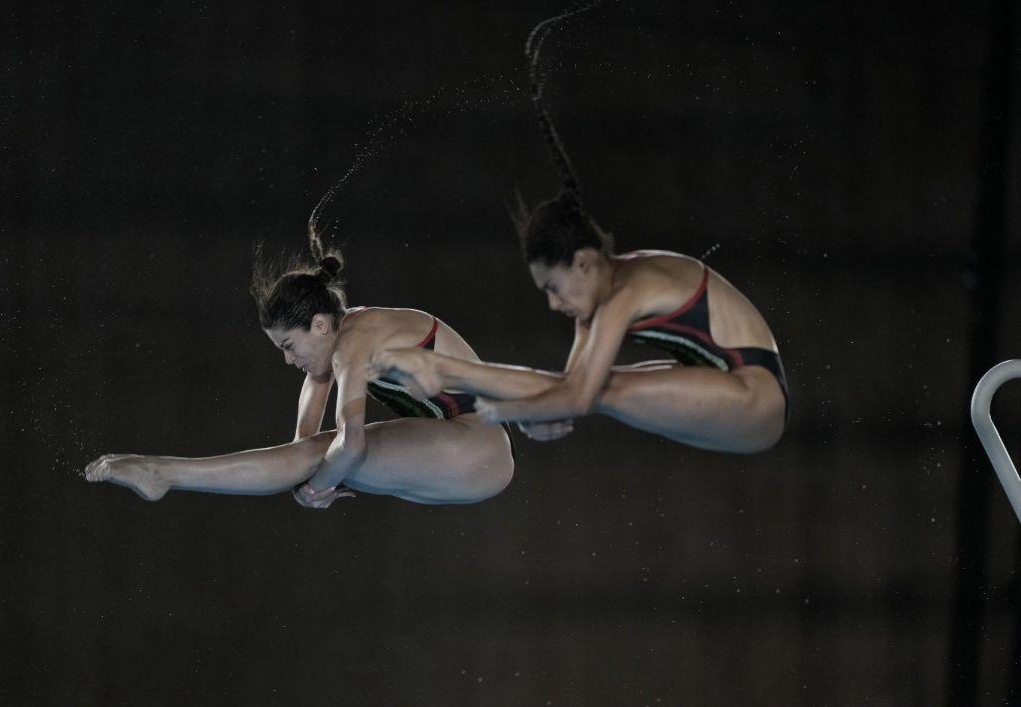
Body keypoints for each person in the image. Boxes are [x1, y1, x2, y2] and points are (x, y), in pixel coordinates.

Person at [370, 27, 787, 455]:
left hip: (755, 398)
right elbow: (566, 394)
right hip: (726, 401)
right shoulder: (594, 303)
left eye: (553, 287)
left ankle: (444, 369)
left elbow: (582, 397)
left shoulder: (631, 288)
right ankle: (445, 370)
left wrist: (508, 409)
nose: (553, 304)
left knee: (606, 387)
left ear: (585, 262)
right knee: (595, 385)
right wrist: (541, 412)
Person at [84, 242, 514, 507]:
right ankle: (163, 472)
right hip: (466, 459)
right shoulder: (339, 342)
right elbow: (301, 446)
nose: (289, 361)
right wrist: (310, 477)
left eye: (290, 347)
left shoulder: (354, 342)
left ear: (321, 325)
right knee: (314, 456)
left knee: (326, 456)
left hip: (475, 449)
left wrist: (315, 486)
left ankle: (165, 473)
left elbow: (350, 444)